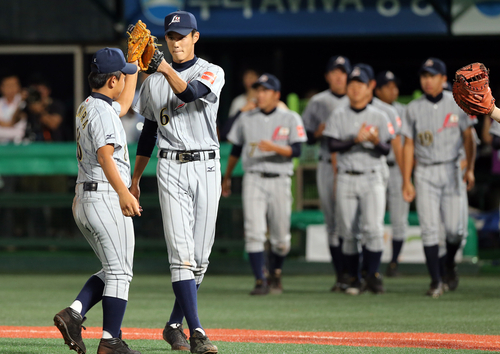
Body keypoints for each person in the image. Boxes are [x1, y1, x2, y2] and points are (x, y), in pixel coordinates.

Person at [130, 11, 223, 354]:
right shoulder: (151, 82)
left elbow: (191, 94)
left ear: (195, 37)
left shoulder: (211, 70)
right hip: (170, 167)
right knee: (181, 256)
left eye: (183, 35)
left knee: (200, 259)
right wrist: (135, 177)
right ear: (165, 39)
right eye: (171, 37)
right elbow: (150, 132)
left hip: (207, 167)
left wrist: (163, 68)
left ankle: (173, 325)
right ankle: (197, 331)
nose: (177, 42)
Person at [53, 47, 141, 354]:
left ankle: (74, 313)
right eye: (122, 75)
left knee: (113, 267)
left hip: (85, 197)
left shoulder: (89, 104)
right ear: (113, 79)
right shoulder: (103, 111)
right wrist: (124, 192)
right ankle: (110, 340)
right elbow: (105, 156)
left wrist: (134, 68)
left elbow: (125, 103)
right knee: (119, 272)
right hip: (104, 193)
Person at [222, 73, 307, 295]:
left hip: (280, 179)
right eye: (258, 90)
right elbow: (234, 147)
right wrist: (227, 176)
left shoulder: (290, 118)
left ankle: (275, 273)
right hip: (254, 178)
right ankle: (260, 280)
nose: (260, 94)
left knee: (281, 238)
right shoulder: (247, 118)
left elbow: (298, 150)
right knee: (254, 232)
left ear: (276, 94)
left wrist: (275, 148)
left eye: (265, 90)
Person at [402, 58, 476, 298]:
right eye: (424, 76)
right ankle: (435, 281)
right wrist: (406, 179)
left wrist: (470, 168)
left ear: (444, 79)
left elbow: (469, 138)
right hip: (424, 171)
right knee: (429, 229)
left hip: (452, 168)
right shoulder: (412, 108)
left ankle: (449, 265)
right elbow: (409, 145)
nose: (427, 80)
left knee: (456, 231)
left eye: (432, 75)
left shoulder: (458, 102)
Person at [323, 66, 394, 295]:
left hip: (372, 176)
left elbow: (386, 149)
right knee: (347, 232)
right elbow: (332, 145)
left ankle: (372, 275)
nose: (354, 89)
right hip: (346, 176)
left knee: (373, 228)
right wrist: (355, 140)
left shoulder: (379, 115)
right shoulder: (338, 114)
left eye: (359, 84)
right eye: (351, 84)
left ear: (368, 88)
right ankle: (353, 277)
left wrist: (374, 140)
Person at [301, 55, 352, 292]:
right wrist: (316, 134)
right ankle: (341, 275)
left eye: (343, 71)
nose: (339, 76)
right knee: (332, 222)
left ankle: (357, 273)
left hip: (354, 165)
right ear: (327, 76)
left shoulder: (358, 98)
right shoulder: (319, 102)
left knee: (354, 222)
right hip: (325, 164)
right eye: (335, 71)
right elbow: (304, 136)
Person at [374, 70, 409, 277]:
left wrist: (407, 177)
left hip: (397, 168)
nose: (393, 90)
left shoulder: (404, 111)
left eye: (395, 86)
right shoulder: (371, 109)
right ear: (377, 90)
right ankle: (371, 265)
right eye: (387, 86)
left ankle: (394, 262)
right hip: (378, 165)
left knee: (399, 219)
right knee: (372, 219)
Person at [0, 74, 26, 143]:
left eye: (14, 85)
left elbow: (19, 129)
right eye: (8, 85)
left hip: (19, 143)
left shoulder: (24, 102)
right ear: (2, 88)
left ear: (19, 87)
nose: (11, 88)